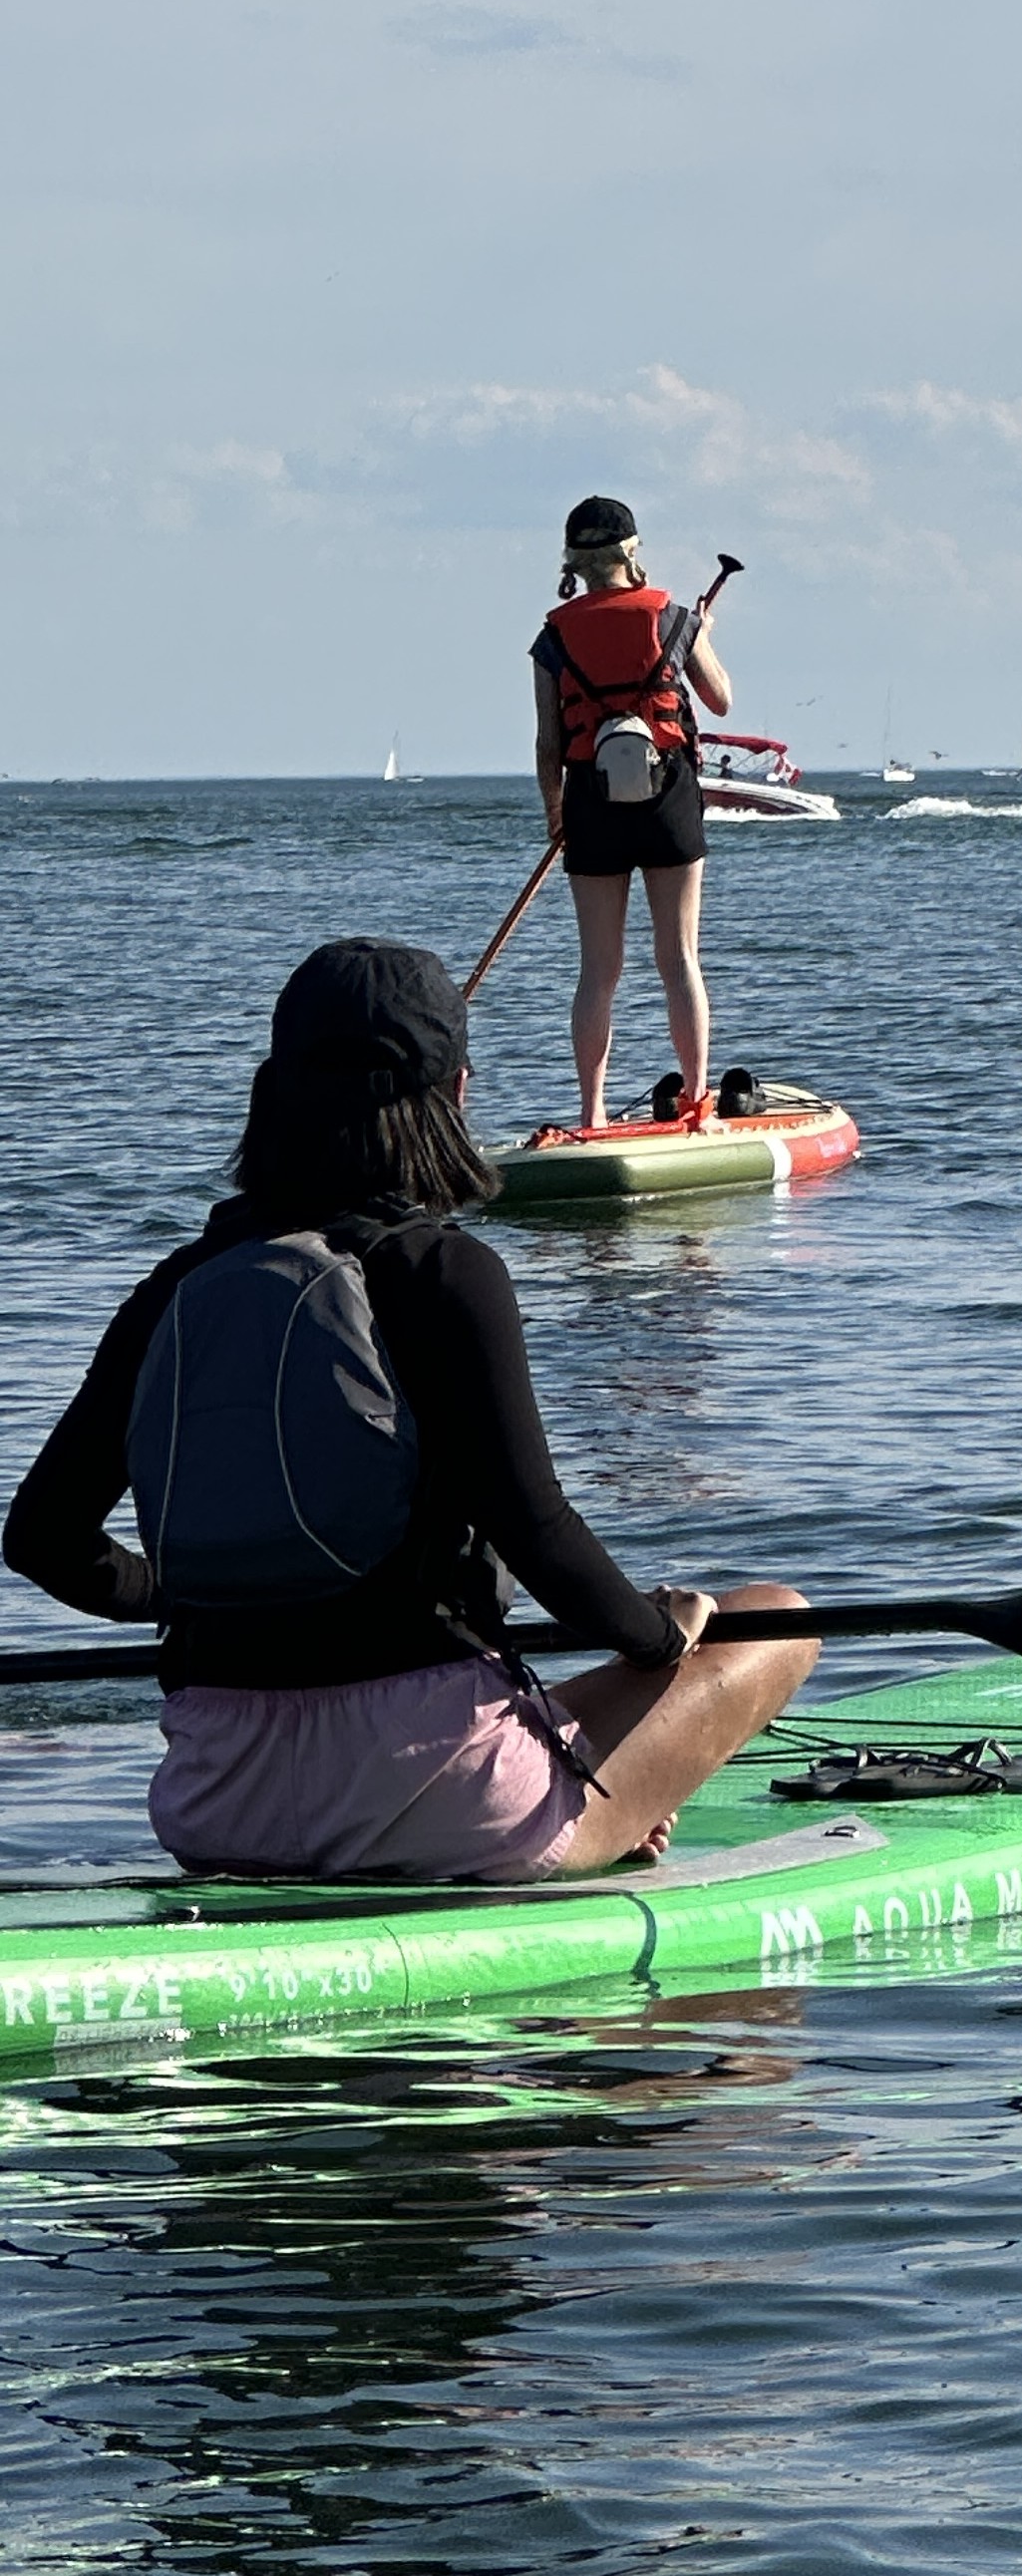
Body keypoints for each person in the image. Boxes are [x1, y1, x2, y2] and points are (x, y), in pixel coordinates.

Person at [2, 940, 816, 1880]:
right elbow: (537, 1529)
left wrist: (177, 1596)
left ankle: (572, 1782)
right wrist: (656, 1632)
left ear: (273, 1093)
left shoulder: (176, 1287)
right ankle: (608, 1831)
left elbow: (42, 1538)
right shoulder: (447, 1274)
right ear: (455, 1095)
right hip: (442, 1803)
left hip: (216, 1804)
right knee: (777, 1620)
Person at [534, 495, 733, 1129]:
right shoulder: (675, 618)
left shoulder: (554, 635)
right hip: (667, 794)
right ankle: (696, 1101)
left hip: (591, 796)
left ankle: (592, 1113)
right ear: (632, 552)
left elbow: (549, 743)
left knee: (599, 968)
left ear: (575, 562)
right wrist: (700, 637)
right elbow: (720, 700)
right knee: (679, 957)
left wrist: (555, 813)